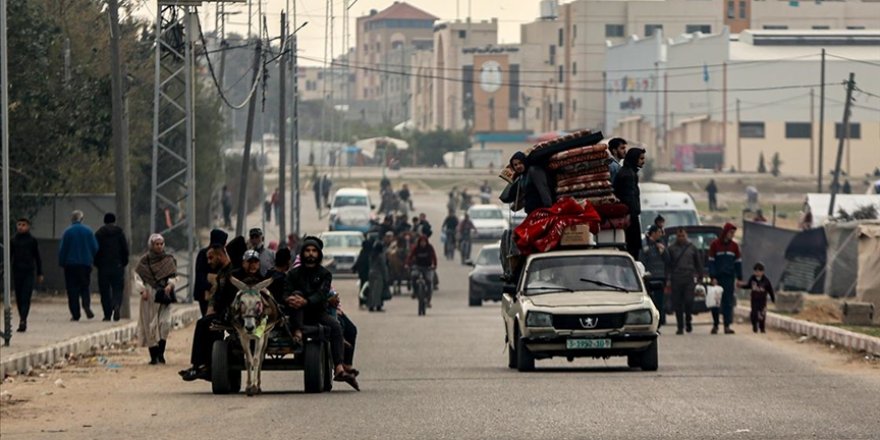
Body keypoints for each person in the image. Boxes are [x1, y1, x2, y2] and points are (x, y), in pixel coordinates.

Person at [283, 236, 359, 390]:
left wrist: (306, 301)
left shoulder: (325, 274)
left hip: (317, 312)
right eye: (307, 251)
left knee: (336, 327)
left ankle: (339, 368)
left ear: (318, 254)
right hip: (297, 313)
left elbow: (322, 294)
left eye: (314, 251)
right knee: (296, 294)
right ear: (302, 254)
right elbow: (285, 293)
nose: (310, 254)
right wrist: (290, 300)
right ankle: (297, 332)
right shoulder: (293, 274)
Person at [179, 244, 249, 381]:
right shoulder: (222, 273)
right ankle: (202, 365)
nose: (209, 261)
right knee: (204, 323)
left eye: (211, 258)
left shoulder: (233, 272)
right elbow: (216, 298)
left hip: (234, 314)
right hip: (223, 312)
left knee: (205, 324)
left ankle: (203, 366)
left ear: (220, 255)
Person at [136, 234, 177, 365]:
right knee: (150, 326)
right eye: (156, 244)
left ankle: (161, 353)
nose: (159, 246)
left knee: (165, 323)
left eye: (161, 244)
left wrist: (170, 285)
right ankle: (154, 356)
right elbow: (138, 277)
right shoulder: (144, 261)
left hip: (164, 296)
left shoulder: (169, 259)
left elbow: (173, 276)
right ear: (151, 245)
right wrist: (142, 290)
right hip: (149, 296)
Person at [58, 210, 99, 321]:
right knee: (85, 287)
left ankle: (75, 314)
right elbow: (95, 248)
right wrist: (92, 259)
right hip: (85, 264)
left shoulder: (67, 232)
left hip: (70, 265)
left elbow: (63, 250)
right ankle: (86, 305)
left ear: (72, 219)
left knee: (72, 290)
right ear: (82, 219)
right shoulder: (88, 231)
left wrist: (62, 262)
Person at [666, 228, 703, 334]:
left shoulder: (692, 248)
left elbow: (698, 263)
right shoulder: (672, 249)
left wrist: (700, 276)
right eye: (679, 236)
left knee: (688, 301)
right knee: (677, 304)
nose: (681, 238)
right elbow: (668, 265)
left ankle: (688, 319)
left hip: (689, 278)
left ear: (686, 236)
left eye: (683, 236)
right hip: (676, 278)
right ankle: (680, 327)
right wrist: (668, 278)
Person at [708, 222, 743, 335]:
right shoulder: (715, 245)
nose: (732, 235)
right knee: (715, 303)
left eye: (733, 233)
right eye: (731, 232)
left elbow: (738, 263)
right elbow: (711, 262)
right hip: (717, 278)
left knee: (728, 302)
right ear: (726, 232)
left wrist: (739, 277)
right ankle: (716, 325)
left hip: (729, 278)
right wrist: (713, 276)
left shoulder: (734, 246)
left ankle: (727, 325)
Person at [94, 213, 130, 321]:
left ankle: (107, 314)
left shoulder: (99, 234)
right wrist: (123, 263)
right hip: (117, 265)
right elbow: (125, 250)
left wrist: (97, 264)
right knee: (118, 288)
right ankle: (116, 305)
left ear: (104, 221)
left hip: (103, 267)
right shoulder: (120, 233)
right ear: (114, 221)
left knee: (104, 291)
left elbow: (95, 250)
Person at [613, 147, 647, 261]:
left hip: (629, 217)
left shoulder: (628, 172)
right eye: (641, 158)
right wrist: (632, 215)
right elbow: (629, 199)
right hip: (630, 218)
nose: (643, 161)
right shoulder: (628, 175)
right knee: (633, 250)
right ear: (634, 159)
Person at [11, 218, 42, 332]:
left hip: (29, 271)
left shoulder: (32, 240)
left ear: (28, 226)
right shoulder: (14, 240)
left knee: (26, 296)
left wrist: (40, 273)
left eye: (23, 225)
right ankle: (22, 317)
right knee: (19, 297)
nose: (21, 227)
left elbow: (37, 257)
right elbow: (9, 256)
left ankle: (23, 319)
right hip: (17, 271)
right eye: (19, 224)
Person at [194, 229, 227, 317]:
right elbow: (200, 274)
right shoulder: (204, 254)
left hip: (217, 294)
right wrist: (210, 286)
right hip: (206, 294)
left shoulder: (222, 256)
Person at [641, 225, 668, 327]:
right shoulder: (645, 243)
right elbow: (642, 258)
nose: (660, 234)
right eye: (658, 232)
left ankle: (660, 322)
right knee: (651, 300)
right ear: (653, 233)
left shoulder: (661, 243)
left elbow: (668, 259)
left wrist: (663, 251)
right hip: (649, 277)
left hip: (660, 276)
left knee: (660, 301)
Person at [742, 262, 775, 333]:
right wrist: (741, 286)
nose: (757, 273)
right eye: (756, 271)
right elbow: (748, 286)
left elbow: (770, 290)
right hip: (754, 300)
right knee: (754, 314)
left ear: (762, 272)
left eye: (759, 271)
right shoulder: (752, 279)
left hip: (762, 301)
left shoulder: (766, 280)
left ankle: (762, 328)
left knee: (762, 315)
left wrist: (773, 298)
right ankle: (754, 326)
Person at [406, 235, 437, 308]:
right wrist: (407, 264)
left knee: (429, 282)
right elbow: (410, 256)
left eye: (424, 242)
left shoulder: (430, 248)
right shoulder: (416, 248)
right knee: (413, 276)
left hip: (428, 267)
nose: (423, 244)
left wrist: (434, 265)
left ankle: (428, 300)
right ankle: (415, 292)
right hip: (418, 267)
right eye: (421, 242)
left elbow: (434, 256)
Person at [366, 241, 389, 312]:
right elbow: (383, 267)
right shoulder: (380, 256)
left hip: (371, 273)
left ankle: (370, 306)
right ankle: (378, 306)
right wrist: (386, 277)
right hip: (378, 274)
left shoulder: (372, 255)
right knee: (377, 291)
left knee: (371, 290)